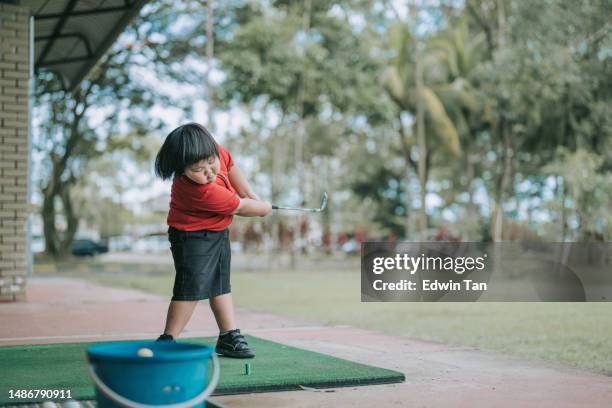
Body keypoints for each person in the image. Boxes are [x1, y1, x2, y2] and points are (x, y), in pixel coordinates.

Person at [153, 123, 271, 358]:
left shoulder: (214, 152)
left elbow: (230, 164)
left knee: (220, 283)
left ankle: (228, 336)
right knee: (192, 288)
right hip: (191, 237)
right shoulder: (202, 191)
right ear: (182, 170)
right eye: (199, 169)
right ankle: (167, 340)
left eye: (210, 162)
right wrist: (263, 207)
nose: (209, 171)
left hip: (217, 231)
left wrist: (252, 194)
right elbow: (242, 207)